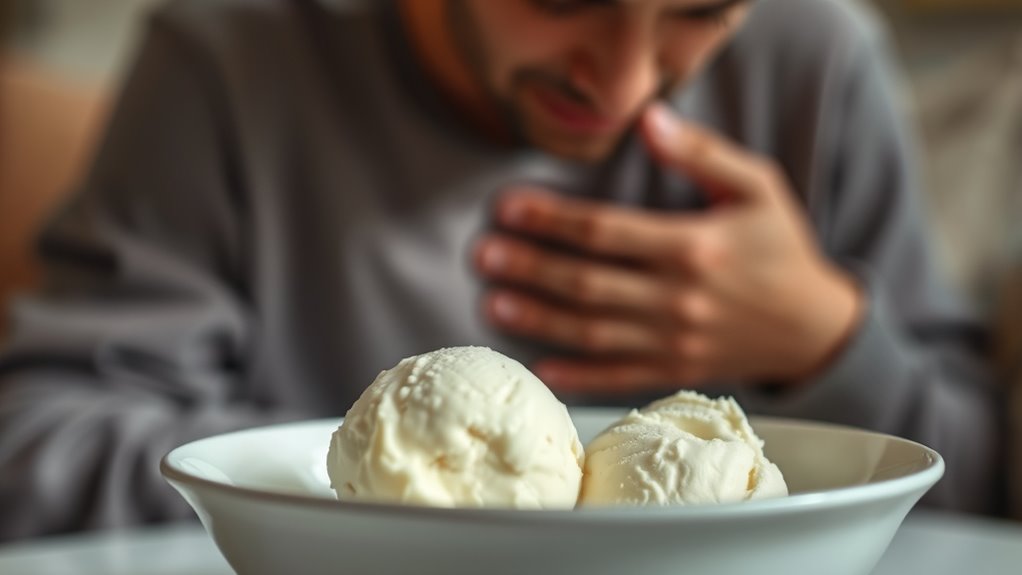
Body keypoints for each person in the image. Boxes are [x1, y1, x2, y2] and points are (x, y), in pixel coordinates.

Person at [0, 0, 1006, 539]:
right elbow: (36, 449)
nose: (623, 82)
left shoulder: (816, 68)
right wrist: (352, 479)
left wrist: (826, 339)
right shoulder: (226, 68)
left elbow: (976, 486)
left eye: (700, 12)